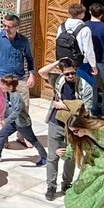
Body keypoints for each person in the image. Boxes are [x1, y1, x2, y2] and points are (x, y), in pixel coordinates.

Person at [37, 58, 91, 199]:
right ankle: (51, 186)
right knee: (52, 157)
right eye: (67, 74)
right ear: (62, 72)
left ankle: (66, 184)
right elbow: (41, 72)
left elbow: (86, 110)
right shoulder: (58, 80)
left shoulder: (85, 87)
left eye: (73, 73)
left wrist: (64, 106)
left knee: (70, 156)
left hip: (73, 127)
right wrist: (58, 62)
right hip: (56, 123)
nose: (70, 76)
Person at [0, 72, 46, 167]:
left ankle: (45, 158)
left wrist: (6, 121)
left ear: (10, 86)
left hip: (23, 124)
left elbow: (16, 111)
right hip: (14, 123)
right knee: (2, 134)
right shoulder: (8, 94)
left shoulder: (16, 97)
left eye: (3, 84)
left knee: (33, 140)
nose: (1, 86)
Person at [54, 3, 99, 98]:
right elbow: (88, 50)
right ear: (81, 14)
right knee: (88, 87)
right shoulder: (85, 29)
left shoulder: (62, 26)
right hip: (80, 64)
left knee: (69, 86)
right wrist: (93, 66)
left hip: (64, 63)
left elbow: (57, 42)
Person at [0, 13, 35, 93]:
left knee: (22, 101)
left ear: (17, 27)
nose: (6, 28)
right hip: (2, 78)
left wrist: (31, 75)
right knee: (2, 101)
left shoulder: (24, 41)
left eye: (9, 27)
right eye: (4, 25)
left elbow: (29, 59)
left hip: (19, 79)